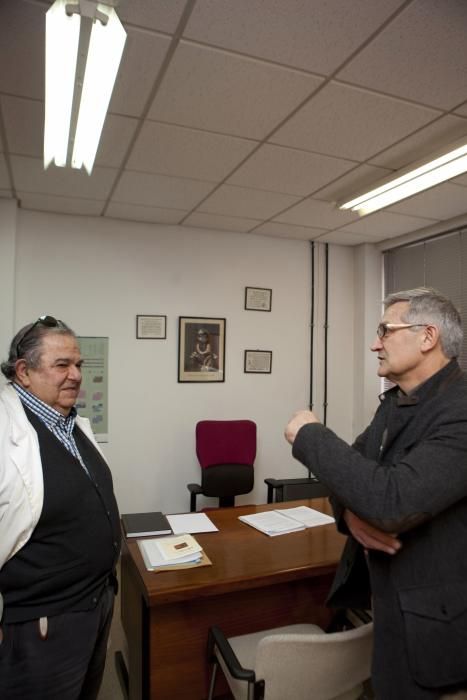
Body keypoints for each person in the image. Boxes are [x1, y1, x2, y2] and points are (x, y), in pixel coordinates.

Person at [285, 288, 467, 700]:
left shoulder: (461, 410)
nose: (374, 343)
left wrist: (310, 435)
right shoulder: (396, 403)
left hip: (438, 631)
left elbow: (392, 501)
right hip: (390, 611)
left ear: (427, 337)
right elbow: (352, 473)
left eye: (385, 330)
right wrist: (351, 516)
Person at [0, 316, 121, 700]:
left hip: (95, 603)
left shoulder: (69, 423)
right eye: (62, 365)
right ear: (24, 371)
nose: (75, 375)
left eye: (79, 365)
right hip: (43, 622)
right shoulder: (7, 431)